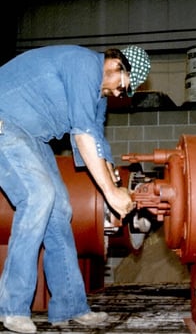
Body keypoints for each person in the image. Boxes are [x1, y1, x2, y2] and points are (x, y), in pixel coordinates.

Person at [0, 44, 150, 333]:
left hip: (31, 137)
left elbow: (96, 143)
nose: (120, 94)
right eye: (123, 86)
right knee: (38, 196)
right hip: (4, 123)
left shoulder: (98, 95)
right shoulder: (83, 65)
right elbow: (81, 135)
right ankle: (12, 307)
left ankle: (70, 306)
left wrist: (116, 186)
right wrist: (110, 194)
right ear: (116, 64)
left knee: (60, 211)